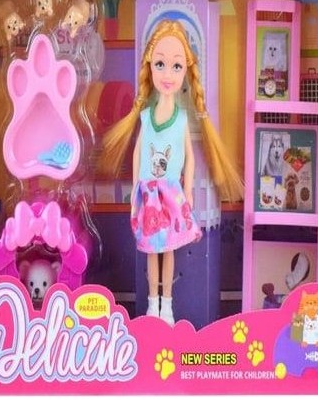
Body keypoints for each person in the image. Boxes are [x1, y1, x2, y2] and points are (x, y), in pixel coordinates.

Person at [99, 19, 243, 324]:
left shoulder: (180, 119)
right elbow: (138, 152)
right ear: (150, 66)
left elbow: (189, 158)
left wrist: (187, 190)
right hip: (149, 194)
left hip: (171, 194)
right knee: (153, 251)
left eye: (176, 66)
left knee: (169, 251)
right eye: (160, 64)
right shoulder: (146, 116)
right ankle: (153, 304)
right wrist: (135, 191)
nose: (167, 74)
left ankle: (168, 305)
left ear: (186, 71)